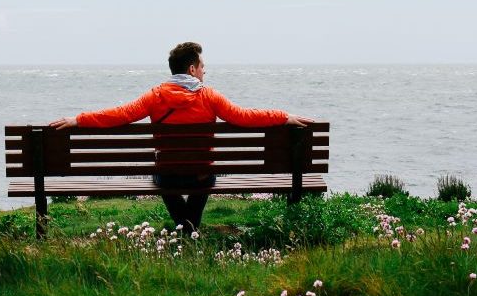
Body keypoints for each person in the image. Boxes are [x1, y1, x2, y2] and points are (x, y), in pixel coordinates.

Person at [50, 41, 314, 232]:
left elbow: (120, 114)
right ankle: (190, 229)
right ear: (191, 69)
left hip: (169, 173)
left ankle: (184, 230)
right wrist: (282, 116)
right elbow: (243, 117)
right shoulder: (209, 96)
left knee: (162, 175)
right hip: (201, 174)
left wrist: (78, 119)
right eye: (202, 67)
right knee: (205, 173)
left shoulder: (155, 96)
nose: (204, 72)